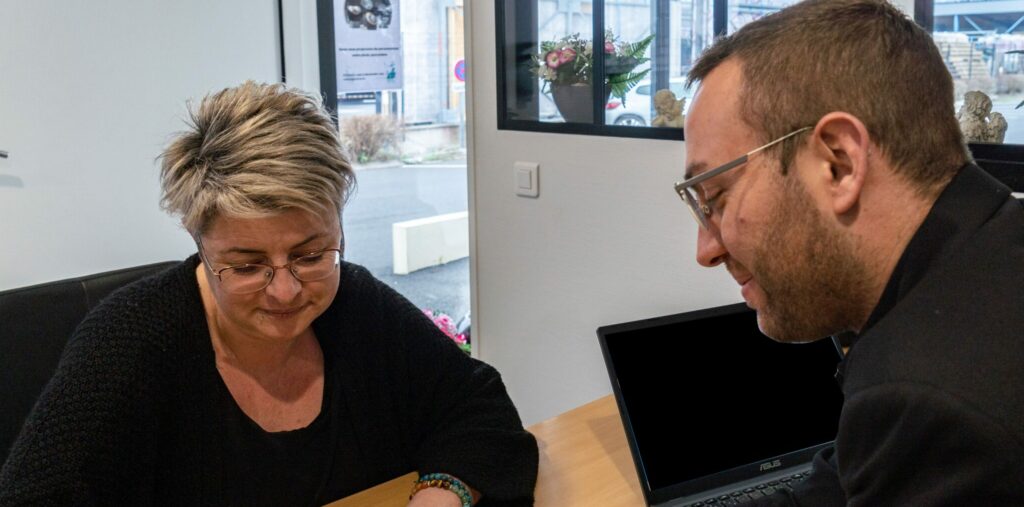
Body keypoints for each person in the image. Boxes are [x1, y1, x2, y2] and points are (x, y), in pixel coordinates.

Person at [0, 82, 538, 506]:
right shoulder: (130, 339)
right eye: (246, 265)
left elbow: (476, 405)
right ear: (198, 243)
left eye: (310, 254)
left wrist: (442, 493)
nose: (285, 291)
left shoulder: (356, 304)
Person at [676, 0, 1024, 504]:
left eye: (716, 196)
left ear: (838, 163)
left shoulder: (930, 400)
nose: (706, 249)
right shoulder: (990, 243)